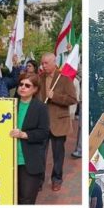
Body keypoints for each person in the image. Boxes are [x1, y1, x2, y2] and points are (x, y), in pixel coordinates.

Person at [38, 53, 78, 192]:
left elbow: (72, 99)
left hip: (59, 123)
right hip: (42, 123)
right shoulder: (39, 78)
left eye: (46, 63)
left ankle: (56, 179)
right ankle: (39, 180)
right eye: (42, 63)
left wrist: (55, 96)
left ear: (54, 62)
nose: (43, 66)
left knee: (58, 155)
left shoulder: (64, 79)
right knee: (40, 154)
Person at [9, 73, 50, 204]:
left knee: (26, 199)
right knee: (10, 198)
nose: (23, 87)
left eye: (27, 85)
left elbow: (44, 133)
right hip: (9, 160)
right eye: (21, 84)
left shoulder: (40, 108)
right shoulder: (9, 105)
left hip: (29, 161)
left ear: (35, 89)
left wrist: (24, 135)